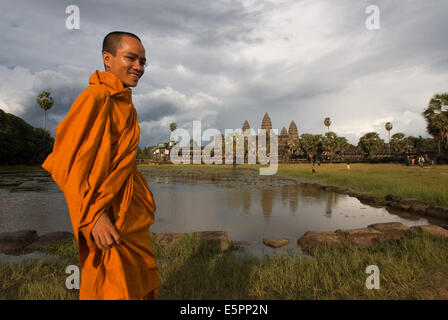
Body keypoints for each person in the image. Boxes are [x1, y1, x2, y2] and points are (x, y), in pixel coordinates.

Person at [42, 31, 159, 300]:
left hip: (129, 215)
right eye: (131, 58)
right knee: (112, 287)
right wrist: (93, 216)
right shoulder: (95, 97)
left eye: (143, 62)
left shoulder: (126, 106)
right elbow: (65, 162)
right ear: (108, 58)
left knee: (139, 284)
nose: (139, 67)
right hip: (105, 217)